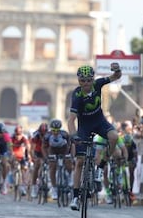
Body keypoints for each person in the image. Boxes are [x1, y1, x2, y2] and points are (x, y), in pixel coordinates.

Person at [67, 63, 122, 210]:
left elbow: (116, 76)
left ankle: (101, 166)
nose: (86, 83)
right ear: (79, 81)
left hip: (100, 122)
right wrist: (73, 135)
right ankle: (75, 197)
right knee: (80, 162)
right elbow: (71, 119)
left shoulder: (98, 84)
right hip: (84, 126)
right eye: (82, 81)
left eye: (88, 80)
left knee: (114, 137)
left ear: (93, 80)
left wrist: (117, 69)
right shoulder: (77, 95)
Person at [42, 119, 73, 200]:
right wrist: (46, 157)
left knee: (68, 163)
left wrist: (71, 155)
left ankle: (70, 177)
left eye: (57, 130)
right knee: (52, 167)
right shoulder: (47, 136)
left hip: (64, 150)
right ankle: (54, 188)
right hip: (52, 151)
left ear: (60, 129)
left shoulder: (64, 134)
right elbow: (44, 147)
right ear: (51, 129)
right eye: (53, 130)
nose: (55, 132)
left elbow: (71, 145)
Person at [93, 134, 128, 204]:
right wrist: (100, 165)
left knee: (118, 153)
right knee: (105, 170)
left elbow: (124, 150)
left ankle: (118, 173)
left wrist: (125, 160)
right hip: (103, 151)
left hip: (114, 149)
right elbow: (98, 154)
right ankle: (108, 193)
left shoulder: (117, 137)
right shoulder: (101, 139)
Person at [11, 125, 32, 196]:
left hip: (21, 155)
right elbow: (9, 146)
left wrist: (28, 154)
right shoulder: (12, 138)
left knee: (24, 169)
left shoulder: (24, 138)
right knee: (12, 164)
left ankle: (23, 185)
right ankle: (14, 180)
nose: (17, 136)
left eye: (19, 134)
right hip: (14, 155)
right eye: (16, 134)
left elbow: (28, 146)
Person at [30, 123, 48, 198]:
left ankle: (48, 182)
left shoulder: (49, 134)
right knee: (37, 166)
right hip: (38, 152)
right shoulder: (36, 135)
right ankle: (34, 186)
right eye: (42, 133)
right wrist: (33, 156)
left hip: (46, 151)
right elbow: (32, 148)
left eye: (45, 132)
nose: (43, 134)